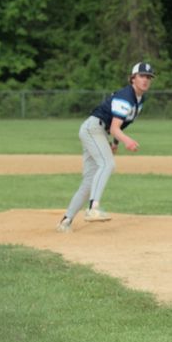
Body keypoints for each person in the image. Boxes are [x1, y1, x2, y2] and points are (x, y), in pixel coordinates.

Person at [56, 62, 152, 232]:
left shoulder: (139, 99)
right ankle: (93, 208)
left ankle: (65, 221)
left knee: (89, 181)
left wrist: (114, 143)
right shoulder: (125, 96)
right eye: (142, 76)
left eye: (149, 77)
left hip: (97, 130)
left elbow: (120, 124)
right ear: (133, 78)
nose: (145, 80)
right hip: (93, 128)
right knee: (107, 164)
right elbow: (115, 128)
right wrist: (126, 141)